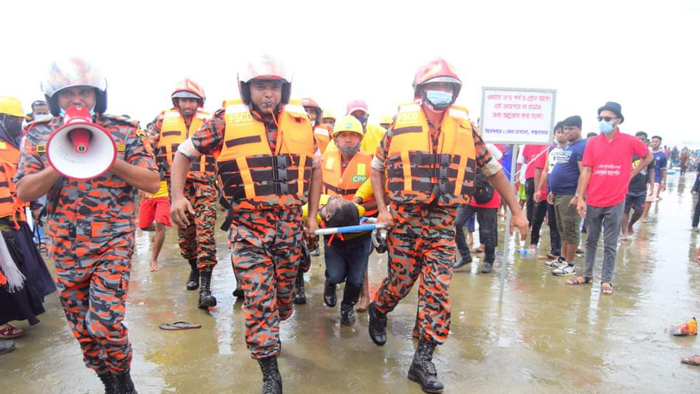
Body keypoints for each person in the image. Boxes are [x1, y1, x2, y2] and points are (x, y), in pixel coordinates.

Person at [367, 58, 528, 393]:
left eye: (446, 87)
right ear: (420, 91)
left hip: (442, 225)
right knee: (399, 283)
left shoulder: (466, 129)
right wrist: (382, 209)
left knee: (437, 292)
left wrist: (517, 209)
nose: (441, 93)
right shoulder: (400, 124)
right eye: (434, 87)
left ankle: (422, 360)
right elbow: (377, 167)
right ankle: (379, 309)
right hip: (405, 222)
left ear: (454, 92)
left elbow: (494, 171)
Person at [170, 54, 318, 394]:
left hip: (289, 227)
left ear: (284, 90)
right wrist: (177, 197)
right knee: (257, 299)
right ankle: (270, 372)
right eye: (261, 87)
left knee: (282, 302)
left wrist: (311, 216)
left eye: (275, 87)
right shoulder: (223, 122)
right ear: (246, 90)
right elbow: (183, 153)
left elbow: (316, 168)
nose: (268, 94)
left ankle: (275, 322)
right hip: (247, 228)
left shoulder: (300, 122)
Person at [16, 58, 159, 393]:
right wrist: (60, 160)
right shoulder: (38, 134)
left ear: (98, 95)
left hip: (113, 242)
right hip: (65, 246)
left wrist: (109, 156)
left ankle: (123, 380)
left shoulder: (124, 130)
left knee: (105, 323)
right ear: (54, 98)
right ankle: (108, 380)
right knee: (82, 328)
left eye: (84, 92)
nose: (76, 99)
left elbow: (152, 182)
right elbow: (24, 191)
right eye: (67, 94)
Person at [148, 79, 219, 308]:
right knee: (186, 239)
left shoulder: (210, 121)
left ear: (199, 102)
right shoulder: (161, 121)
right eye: (184, 99)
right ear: (176, 101)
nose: (188, 104)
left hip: (205, 186)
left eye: (192, 100)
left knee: (205, 235)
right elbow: (145, 145)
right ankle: (194, 269)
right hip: (177, 188)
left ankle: (206, 288)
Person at [568, 102, 652, 295]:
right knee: (590, 240)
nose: (603, 122)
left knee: (610, 242)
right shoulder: (593, 143)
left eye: (608, 118)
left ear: (618, 120)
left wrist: (631, 174)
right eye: (601, 118)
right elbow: (587, 170)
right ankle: (587, 275)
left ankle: (606, 280)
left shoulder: (630, 141)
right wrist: (580, 197)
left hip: (616, 200)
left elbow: (647, 157)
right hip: (594, 199)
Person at [307, 115, 375, 324]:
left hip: (360, 229)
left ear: (360, 139)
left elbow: (383, 195)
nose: (347, 140)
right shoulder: (324, 161)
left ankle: (347, 307)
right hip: (332, 232)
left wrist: (357, 209)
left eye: (352, 136)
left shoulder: (371, 162)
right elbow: (313, 190)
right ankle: (330, 283)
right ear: (335, 139)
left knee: (355, 278)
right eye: (343, 135)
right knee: (336, 275)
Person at [0, 96, 55, 345]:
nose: (16, 125)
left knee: (25, 270)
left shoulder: (15, 146)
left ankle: (20, 313)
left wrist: (33, 207)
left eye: (18, 120)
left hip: (16, 219)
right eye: (12, 120)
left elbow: (23, 179)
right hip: (4, 224)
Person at [540, 116, 586, 275]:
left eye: (571, 129)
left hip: (570, 194)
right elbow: (557, 169)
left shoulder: (582, 147)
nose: (567, 132)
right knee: (562, 229)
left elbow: (584, 173)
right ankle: (562, 258)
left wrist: (578, 195)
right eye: (565, 129)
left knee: (571, 228)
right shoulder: (567, 147)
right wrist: (552, 190)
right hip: (558, 193)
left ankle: (570, 264)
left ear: (579, 128)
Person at [454, 144, 503, 273]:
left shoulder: (488, 147)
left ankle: (488, 260)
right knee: (456, 224)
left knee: (488, 232)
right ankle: (465, 256)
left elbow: (498, 169)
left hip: (488, 196)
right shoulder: (462, 148)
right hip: (469, 197)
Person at [531, 122, 565, 259]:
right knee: (550, 221)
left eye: (563, 131)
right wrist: (539, 189)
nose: (561, 134)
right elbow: (545, 170)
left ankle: (561, 251)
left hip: (565, 192)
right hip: (550, 191)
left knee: (560, 223)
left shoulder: (571, 150)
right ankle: (554, 251)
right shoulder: (551, 150)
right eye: (559, 132)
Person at [620, 132, 655, 241]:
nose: (640, 141)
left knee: (639, 211)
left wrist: (652, 184)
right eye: (637, 139)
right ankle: (624, 232)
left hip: (641, 188)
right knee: (625, 210)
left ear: (646, 141)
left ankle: (631, 224)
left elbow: (651, 171)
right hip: (627, 188)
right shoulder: (628, 153)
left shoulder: (647, 155)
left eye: (642, 139)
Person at [642, 135, 667, 222]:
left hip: (656, 179)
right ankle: (640, 213)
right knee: (642, 197)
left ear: (660, 143)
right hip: (644, 177)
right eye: (653, 141)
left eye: (656, 142)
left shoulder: (662, 155)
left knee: (649, 198)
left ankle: (644, 216)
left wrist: (664, 181)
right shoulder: (646, 152)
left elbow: (664, 169)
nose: (654, 143)